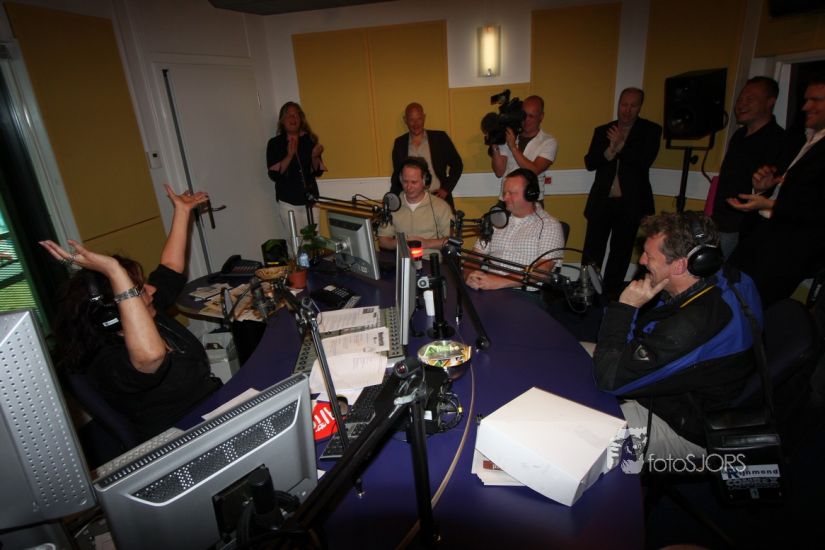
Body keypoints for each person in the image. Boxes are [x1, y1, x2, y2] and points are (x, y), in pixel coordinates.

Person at [40, 184, 222, 441]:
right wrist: (114, 270)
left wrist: (182, 212)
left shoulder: (150, 308)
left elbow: (170, 266)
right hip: (182, 438)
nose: (151, 289)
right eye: (138, 291)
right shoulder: (106, 361)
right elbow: (151, 357)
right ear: (116, 312)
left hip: (212, 408)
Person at [593, 211, 761, 461]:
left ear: (682, 265)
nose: (641, 261)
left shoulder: (693, 324)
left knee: (586, 439)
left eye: (649, 255)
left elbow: (610, 380)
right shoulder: (733, 278)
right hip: (682, 389)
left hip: (685, 426)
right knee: (576, 354)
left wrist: (624, 309)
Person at [728, 74, 825, 307]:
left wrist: (772, 205)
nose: (806, 107)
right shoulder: (799, 139)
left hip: (790, 250)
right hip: (759, 235)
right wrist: (763, 189)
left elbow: (818, 207)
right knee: (727, 292)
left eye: (816, 100)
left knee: (753, 309)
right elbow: (789, 189)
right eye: (806, 100)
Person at [583, 87, 662, 299]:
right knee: (592, 251)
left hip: (630, 204)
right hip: (602, 201)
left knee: (621, 252)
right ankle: (586, 291)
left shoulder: (651, 130)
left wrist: (621, 146)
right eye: (623, 104)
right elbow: (590, 162)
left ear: (640, 107)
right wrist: (610, 151)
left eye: (632, 105)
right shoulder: (603, 130)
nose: (627, 110)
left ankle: (610, 296)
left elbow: (644, 161)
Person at [711, 77, 785, 259]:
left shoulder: (779, 140)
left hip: (742, 229)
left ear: (770, 101)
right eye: (740, 99)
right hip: (719, 221)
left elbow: (772, 191)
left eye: (750, 99)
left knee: (719, 273)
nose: (741, 104)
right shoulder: (739, 135)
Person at [465, 168, 565, 290]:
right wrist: (470, 276)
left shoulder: (550, 225)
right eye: (504, 193)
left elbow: (542, 271)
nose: (505, 198)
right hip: (491, 288)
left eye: (511, 193)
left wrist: (498, 282)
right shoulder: (497, 219)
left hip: (526, 294)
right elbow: (475, 256)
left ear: (530, 194)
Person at [266, 102, 326, 255]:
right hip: (289, 203)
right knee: (297, 245)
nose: (293, 118)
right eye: (289, 115)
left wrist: (314, 156)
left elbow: (318, 172)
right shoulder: (275, 144)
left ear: (301, 119)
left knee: (314, 243)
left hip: (311, 202)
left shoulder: (309, 140)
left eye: (296, 115)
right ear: (282, 120)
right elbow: (274, 175)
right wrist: (289, 155)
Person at [391, 102, 463, 209]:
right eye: (411, 120)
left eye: (419, 119)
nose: (416, 124)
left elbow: (457, 165)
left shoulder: (440, 138)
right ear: (405, 120)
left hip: (438, 200)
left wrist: (446, 189)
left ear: (424, 117)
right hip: (411, 203)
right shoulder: (399, 143)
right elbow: (397, 175)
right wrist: (393, 201)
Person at [490, 95, 557, 207]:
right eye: (524, 115)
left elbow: (533, 171)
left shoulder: (548, 142)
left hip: (531, 201)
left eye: (531, 116)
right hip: (506, 199)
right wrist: (495, 144)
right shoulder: (510, 135)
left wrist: (513, 147)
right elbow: (499, 172)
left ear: (541, 116)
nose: (526, 120)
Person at [378, 156, 452, 257]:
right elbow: (383, 240)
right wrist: (401, 243)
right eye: (405, 181)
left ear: (425, 181)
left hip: (430, 262)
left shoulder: (440, 207)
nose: (409, 187)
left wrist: (426, 243)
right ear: (400, 179)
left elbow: (450, 241)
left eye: (414, 182)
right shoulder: (393, 205)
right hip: (403, 262)